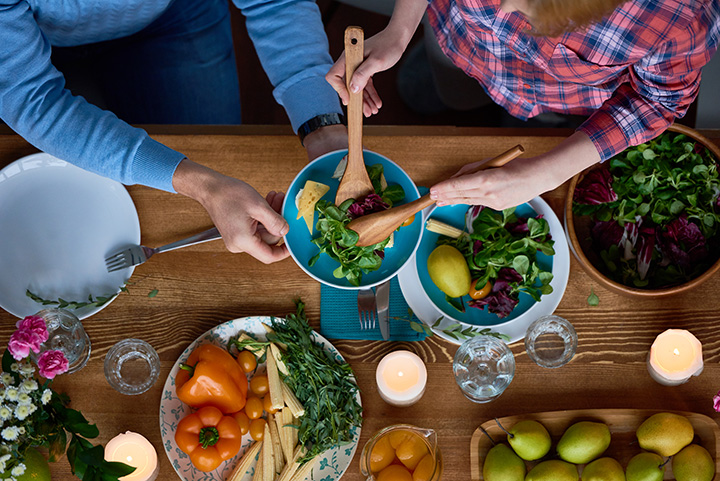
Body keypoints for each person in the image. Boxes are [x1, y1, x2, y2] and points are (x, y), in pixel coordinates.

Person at [0, 0, 348, 264]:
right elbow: (30, 97)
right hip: (31, 35)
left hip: (176, 16)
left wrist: (322, 128)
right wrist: (202, 185)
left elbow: (277, 3)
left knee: (219, 167)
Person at [326, 0, 720, 210]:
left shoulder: (679, 16)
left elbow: (658, 99)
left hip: (559, 98)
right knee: (435, 89)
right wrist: (399, 30)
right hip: (459, 40)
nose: (504, 10)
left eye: (528, 10)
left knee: (533, 128)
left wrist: (545, 174)